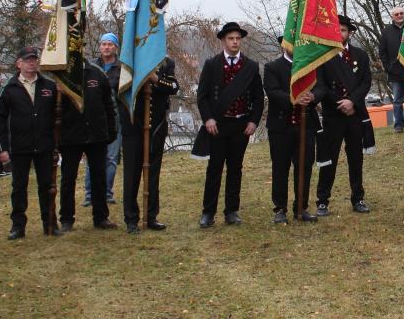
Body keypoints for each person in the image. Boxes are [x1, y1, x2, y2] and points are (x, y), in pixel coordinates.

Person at [195, 22, 265, 228]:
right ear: (223, 41)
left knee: (235, 169)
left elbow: (258, 98)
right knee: (214, 169)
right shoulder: (211, 64)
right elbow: (202, 96)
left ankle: (232, 211)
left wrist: (253, 120)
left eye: (238, 38)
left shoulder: (251, 66)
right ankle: (208, 212)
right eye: (231, 38)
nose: (235, 42)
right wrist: (208, 118)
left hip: (241, 126)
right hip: (218, 125)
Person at [0, 47, 61, 239]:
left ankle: (50, 223)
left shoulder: (49, 86)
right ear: (19, 63)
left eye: (34, 59)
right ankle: (18, 226)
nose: (32, 63)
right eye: (27, 60)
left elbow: (57, 117)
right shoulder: (8, 88)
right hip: (19, 146)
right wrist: (2, 149)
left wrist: (57, 144)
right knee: (19, 187)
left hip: (44, 145)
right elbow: (0, 120)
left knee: (47, 186)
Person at [314, 15, 372, 215]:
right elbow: (320, 84)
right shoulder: (323, 56)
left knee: (356, 158)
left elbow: (366, 82)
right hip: (333, 114)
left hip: (355, 113)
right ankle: (322, 201)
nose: (340, 33)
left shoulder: (361, 55)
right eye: (337, 29)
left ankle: (358, 198)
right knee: (329, 158)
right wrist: (339, 102)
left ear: (350, 33)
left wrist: (352, 101)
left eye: (344, 30)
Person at [58, 57, 119, 231]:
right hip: (70, 136)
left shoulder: (97, 73)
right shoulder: (61, 75)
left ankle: (101, 217)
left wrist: (111, 131)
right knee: (68, 179)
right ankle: (66, 219)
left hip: (96, 135)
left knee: (98, 177)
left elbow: (110, 104)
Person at [263, 40, 319, 224]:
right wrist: (294, 99)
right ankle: (280, 208)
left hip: (306, 125)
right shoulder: (272, 67)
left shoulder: (311, 65)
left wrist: (313, 96)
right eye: (291, 44)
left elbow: (322, 87)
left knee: (305, 166)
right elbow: (272, 91)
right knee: (280, 167)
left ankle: (301, 207)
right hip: (281, 127)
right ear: (283, 45)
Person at [122, 57, 179, 233]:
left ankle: (151, 216)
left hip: (156, 127)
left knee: (153, 173)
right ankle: (131, 219)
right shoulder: (128, 61)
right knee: (132, 174)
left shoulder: (165, 63)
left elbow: (174, 87)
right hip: (134, 125)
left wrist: (155, 79)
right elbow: (120, 87)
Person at [84, 32, 123, 207]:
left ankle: (106, 192)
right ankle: (89, 194)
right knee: (91, 157)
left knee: (110, 158)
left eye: (110, 44)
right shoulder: (91, 66)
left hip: (114, 117)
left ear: (116, 48)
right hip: (93, 118)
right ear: (100, 47)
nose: (107, 47)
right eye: (104, 44)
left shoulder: (122, 68)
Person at [378, 6, 404, 132]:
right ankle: (399, 126)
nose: (399, 15)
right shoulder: (386, 31)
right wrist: (388, 67)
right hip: (395, 71)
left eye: (401, 13)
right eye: (396, 14)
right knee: (397, 100)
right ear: (392, 17)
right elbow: (382, 52)